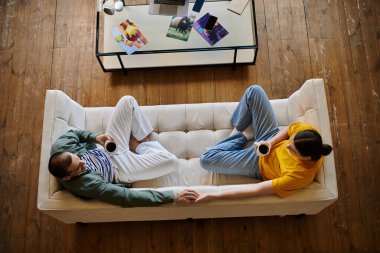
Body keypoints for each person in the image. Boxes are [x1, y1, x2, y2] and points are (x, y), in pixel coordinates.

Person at [48, 95, 199, 207]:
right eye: (79, 167)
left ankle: (139, 141)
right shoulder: (85, 186)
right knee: (172, 161)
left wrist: (96, 137)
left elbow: (75, 134)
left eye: (78, 158)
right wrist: (172, 197)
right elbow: (126, 197)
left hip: (107, 147)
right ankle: (141, 145)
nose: (83, 163)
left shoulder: (61, 146)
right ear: (68, 177)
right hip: (121, 170)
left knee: (128, 101)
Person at [197, 84, 332, 202]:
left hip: (258, 164)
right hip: (269, 138)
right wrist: (269, 143)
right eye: (291, 142)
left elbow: (255, 190)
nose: (288, 146)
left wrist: (213, 196)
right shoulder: (307, 133)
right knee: (254, 90)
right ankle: (240, 129)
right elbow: (286, 132)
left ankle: (242, 136)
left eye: (293, 150)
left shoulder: (298, 176)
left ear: (306, 157)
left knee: (206, 160)